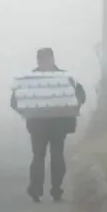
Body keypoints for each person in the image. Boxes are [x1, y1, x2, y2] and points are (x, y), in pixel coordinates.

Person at [10, 47, 87, 202]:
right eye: (43, 60)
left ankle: (41, 190)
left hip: (44, 124)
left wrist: (26, 111)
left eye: (45, 59)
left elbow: (15, 102)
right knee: (49, 155)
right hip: (53, 124)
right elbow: (80, 97)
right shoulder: (65, 78)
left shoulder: (31, 80)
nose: (45, 63)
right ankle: (52, 190)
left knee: (44, 156)